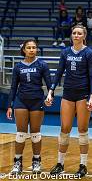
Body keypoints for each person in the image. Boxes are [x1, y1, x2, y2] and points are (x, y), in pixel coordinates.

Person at [45, 25, 92, 178]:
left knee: (82, 129)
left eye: (79, 33)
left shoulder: (89, 53)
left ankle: (83, 165)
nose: (76, 35)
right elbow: (59, 72)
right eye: (74, 33)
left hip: (83, 95)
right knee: (65, 128)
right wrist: (51, 90)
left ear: (84, 36)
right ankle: (60, 164)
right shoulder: (65, 52)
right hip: (67, 94)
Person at [6, 39, 52, 175]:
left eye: (34, 47)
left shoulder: (42, 64)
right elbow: (13, 87)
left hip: (37, 101)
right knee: (20, 133)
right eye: (29, 47)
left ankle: (36, 161)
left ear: (36, 49)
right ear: (24, 50)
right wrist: (9, 105)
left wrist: (50, 96)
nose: (32, 49)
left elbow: (50, 84)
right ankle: (17, 162)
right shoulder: (18, 66)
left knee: (35, 134)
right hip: (21, 101)